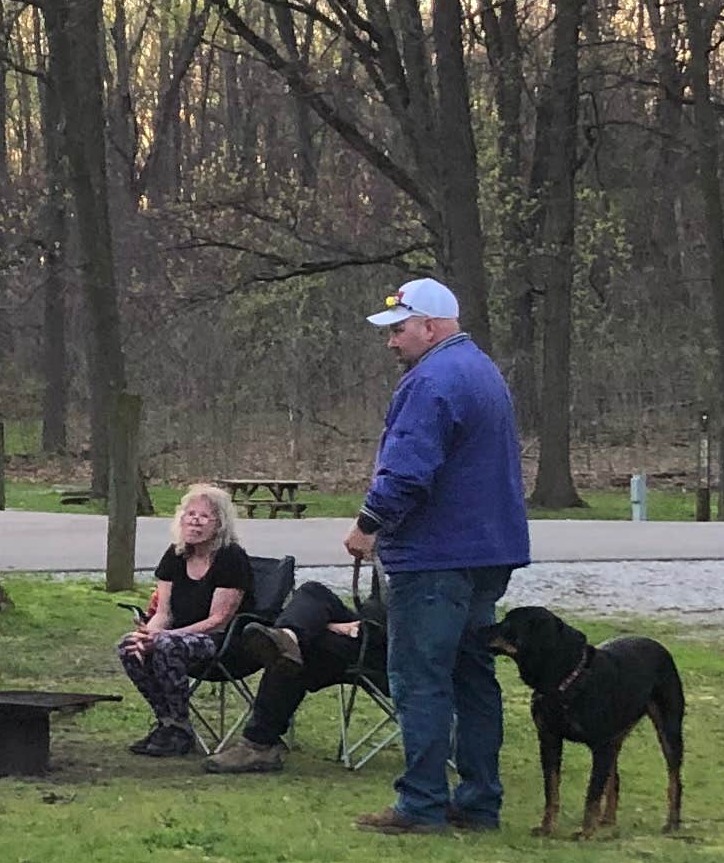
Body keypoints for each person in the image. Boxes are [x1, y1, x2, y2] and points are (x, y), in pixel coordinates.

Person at [342, 276, 530, 833]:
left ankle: (420, 803)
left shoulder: (430, 382)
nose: (391, 342)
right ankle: (478, 802)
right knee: (473, 675)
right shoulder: (483, 371)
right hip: (489, 553)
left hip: (435, 556)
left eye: (399, 330)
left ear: (430, 327)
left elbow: (407, 470)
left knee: (419, 677)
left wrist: (367, 525)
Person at [117, 483, 255, 758]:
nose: (194, 520)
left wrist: (168, 636)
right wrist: (149, 634)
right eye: (190, 514)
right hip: (181, 636)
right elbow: (163, 613)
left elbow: (219, 620)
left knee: (168, 646)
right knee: (129, 646)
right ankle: (167, 722)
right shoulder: (176, 555)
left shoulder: (231, 558)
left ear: (219, 524)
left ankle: (181, 730)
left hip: (225, 642)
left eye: (204, 516)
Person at [202, 576, 374, 768]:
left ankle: (259, 744)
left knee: (297, 648)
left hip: (395, 651)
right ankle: (289, 636)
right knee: (311, 593)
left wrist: (348, 627)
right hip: (367, 632)